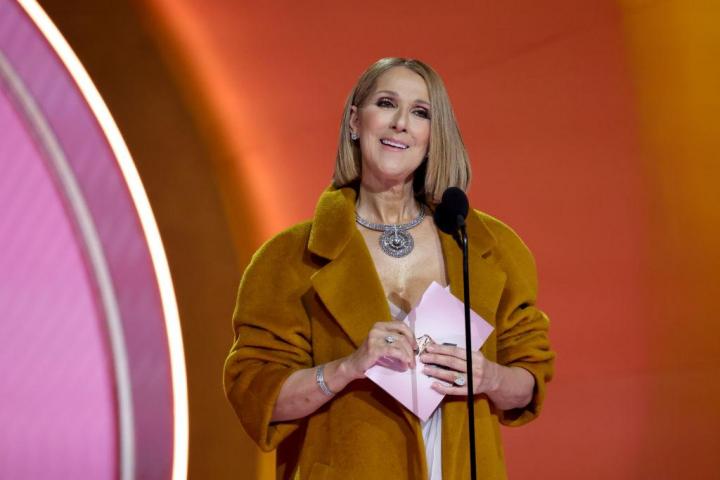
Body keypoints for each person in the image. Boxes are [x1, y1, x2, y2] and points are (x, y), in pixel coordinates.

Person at [224, 57, 555, 480]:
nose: (401, 123)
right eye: (386, 104)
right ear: (354, 121)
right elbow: (257, 394)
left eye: (420, 112)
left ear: (433, 136)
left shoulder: (488, 246)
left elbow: (530, 378)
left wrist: (489, 377)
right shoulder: (287, 258)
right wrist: (348, 367)